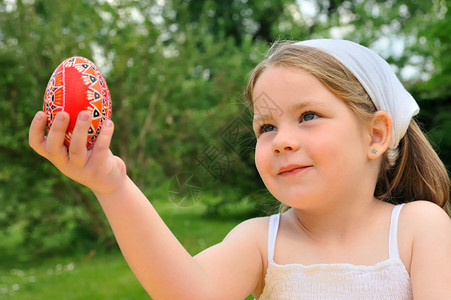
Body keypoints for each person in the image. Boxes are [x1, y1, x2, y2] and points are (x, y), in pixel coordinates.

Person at [29, 39, 451, 299]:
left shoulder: (417, 228)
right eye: (267, 126)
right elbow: (186, 292)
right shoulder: (262, 241)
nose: (282, 139)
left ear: (376, 135)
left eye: (308, 116)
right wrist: (112, 185)